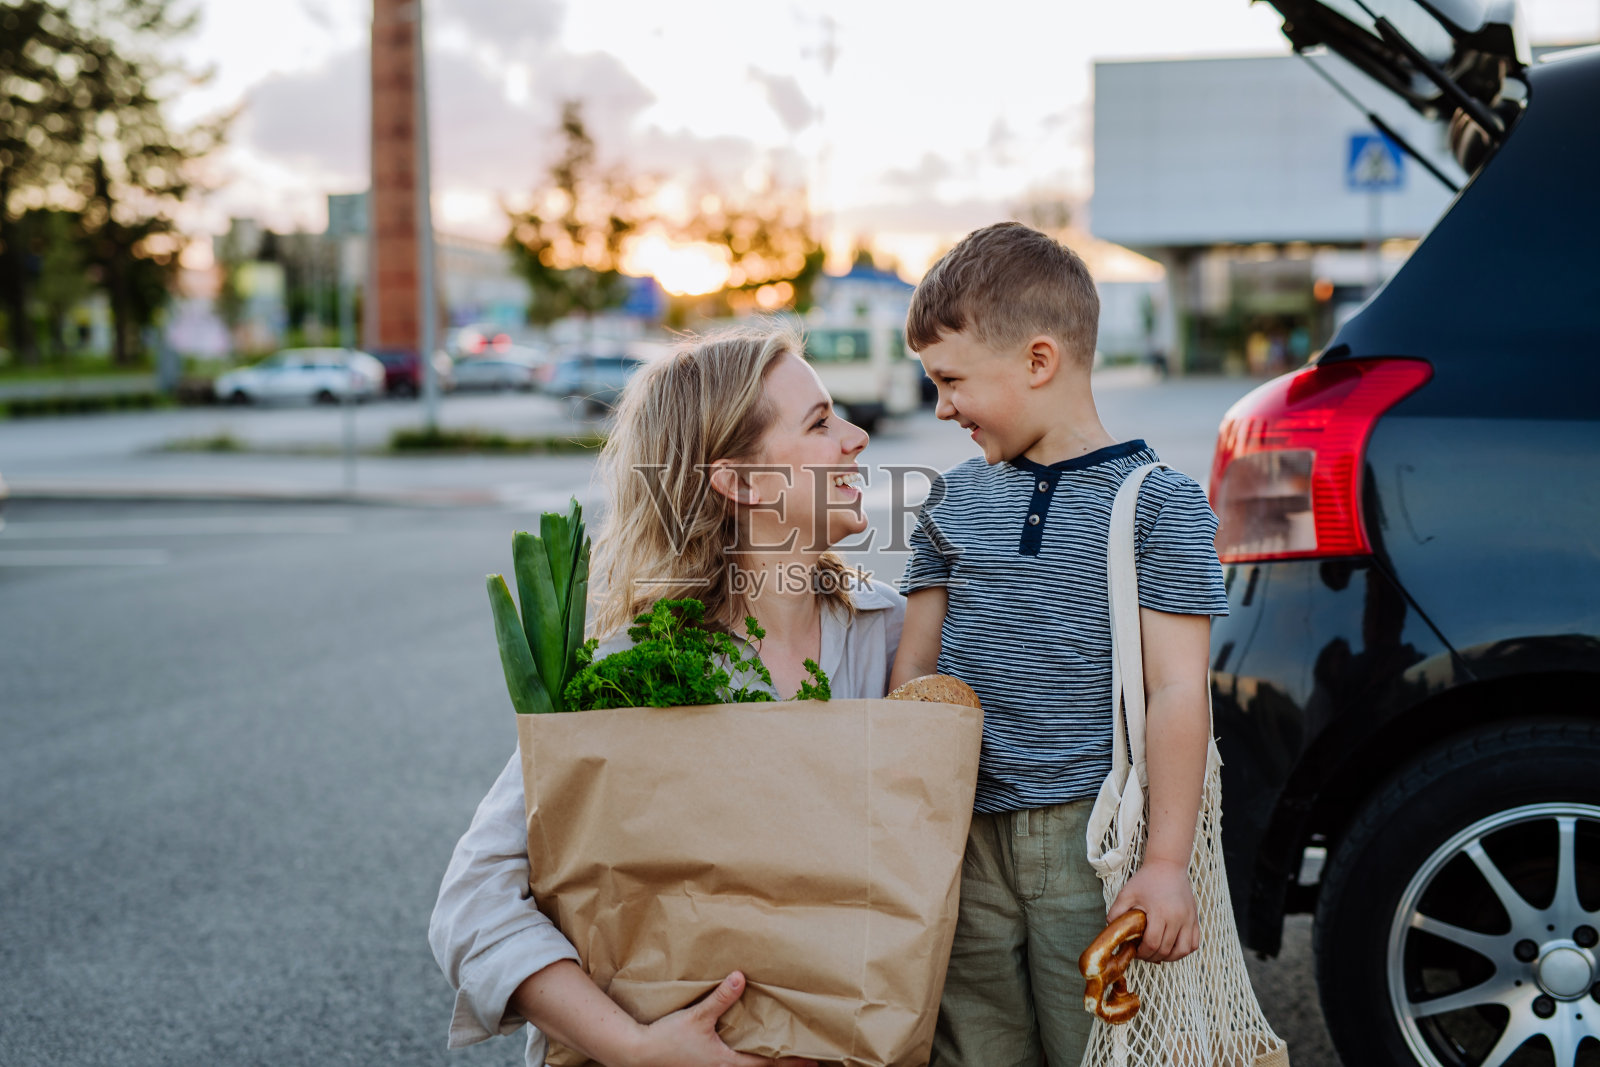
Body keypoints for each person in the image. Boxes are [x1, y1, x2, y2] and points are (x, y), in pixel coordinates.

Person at [429, 325, 905, 1067]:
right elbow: (473, 901)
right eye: (819, 423)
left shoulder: (895, 638)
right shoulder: (635, 669)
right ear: (740, 483)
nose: (856, 438)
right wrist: (636, 1047)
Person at [888, 222, 1227, 1067]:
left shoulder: (1159, 505)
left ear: (1039, 361)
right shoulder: (950, 501)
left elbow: (1178, 691)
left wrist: (1165, 863)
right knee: (973, 1048)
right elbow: (914, 677)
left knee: (1097, 1048)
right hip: (963, 838)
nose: (942, 407)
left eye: (952, 380)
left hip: (1094, 843)